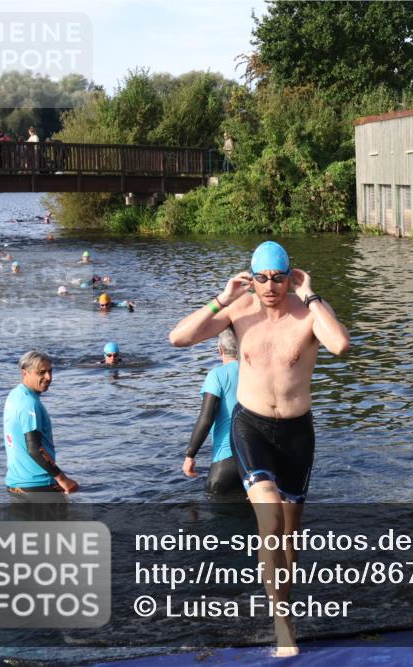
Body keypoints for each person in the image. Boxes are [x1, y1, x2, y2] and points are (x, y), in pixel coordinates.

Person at [168, 241, 350, 657]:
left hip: (297, 434)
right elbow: (178, 338)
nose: (270, 286)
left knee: (290, 537)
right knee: (269, 520)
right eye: (262, 278)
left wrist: (312, 295)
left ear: (291, 277)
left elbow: (340, 344)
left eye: (278, 278)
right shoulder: (239, 311)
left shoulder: (307, 314)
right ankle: (280, 621)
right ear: (251, 278)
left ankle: (281, 599)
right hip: (250, 427)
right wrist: (222, 299)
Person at [3, 351, 80, 498]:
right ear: (25, 373)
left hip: (16, 485)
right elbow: (34, 449)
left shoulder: (15, 395)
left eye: (50, 371)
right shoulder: (29, 404)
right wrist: (62, 479)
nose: (48, 377)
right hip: (38, 486)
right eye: (41, 372)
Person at [183, 328, 242, 495]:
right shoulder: (255, 373)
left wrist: (190, 455)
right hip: (257, 459)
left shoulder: (216, 375)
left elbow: (206, 418)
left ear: (220, 350)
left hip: (227, 460)